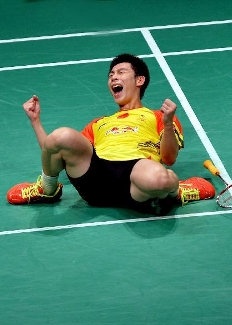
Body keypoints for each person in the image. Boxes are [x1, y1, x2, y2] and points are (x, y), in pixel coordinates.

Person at [7, 53, 215, 215]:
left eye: (121, 72)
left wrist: (168, 124)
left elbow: (168, 158)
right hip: (95, 178)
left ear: (139, 80)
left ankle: (176, 191)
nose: (114, 76)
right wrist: (36, 121)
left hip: (137, 175)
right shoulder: (100, 123)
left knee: (159, 179)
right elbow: (54, 151)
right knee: (61, 136)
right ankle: (47, 189)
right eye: (111, 75)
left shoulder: (159, 116)